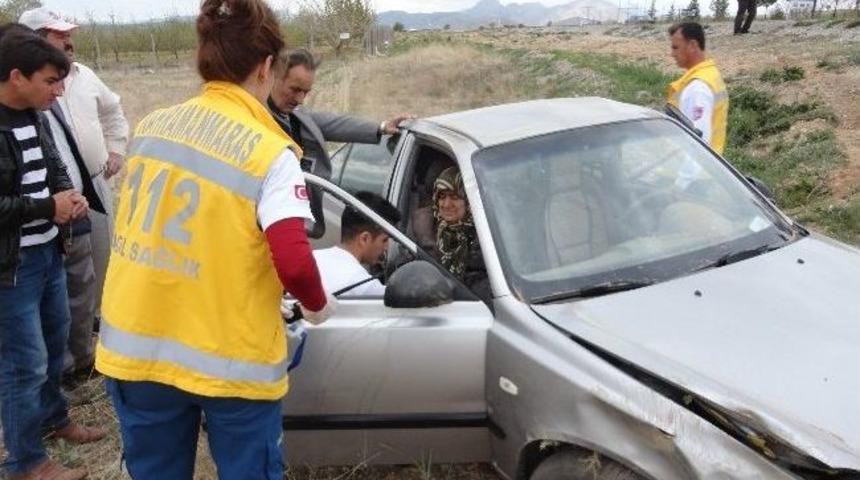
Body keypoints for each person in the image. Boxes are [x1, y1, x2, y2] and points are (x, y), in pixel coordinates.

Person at [93, 1, 336, 478]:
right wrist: (316, 304)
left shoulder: (151, 127)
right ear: (267, 67)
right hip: (231, 360)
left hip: (137, 344)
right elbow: (294, 259)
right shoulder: (270, 152)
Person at [0, 27, 106, 480]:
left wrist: (67, 191)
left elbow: (52, 162)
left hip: (48, 252)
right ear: (16, 76)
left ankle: (54, 420)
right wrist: (49, 206)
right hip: (12, 268)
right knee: (24, 363)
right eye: (50, 81)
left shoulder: (34, 114)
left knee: (54, 341)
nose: (59, 90)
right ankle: (25, 462)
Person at [19, 7, 130, 364]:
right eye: (58, 34)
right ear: (34, 40)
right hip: (45, 206)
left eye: (68, 34)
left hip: (92, 189)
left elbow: (113, 112)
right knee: (60, 282)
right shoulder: (21, 96)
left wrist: (116, 149)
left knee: (97, 265)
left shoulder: (84, 75)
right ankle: (64, 357)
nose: (68, 41)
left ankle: (85, 344)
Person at [268, 48, 412, 178]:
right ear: (272, 78)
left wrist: (382, 127)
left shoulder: (296, 116)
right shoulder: (256, 121)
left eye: (306, 92)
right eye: (295, 90)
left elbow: (336, 124)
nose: (300, 100)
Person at [313, 191, 401, 297]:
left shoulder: (310, 258)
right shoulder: (362, 284)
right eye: (384, 240)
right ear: (364, 239)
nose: (386, 247)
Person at [667, 22, 728, 155]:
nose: (672, 54)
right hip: (711, 165)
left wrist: (686, 176)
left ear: (693, 45)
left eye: (675, 47)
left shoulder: (698, 88)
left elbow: (699, 144)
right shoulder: (710, 74)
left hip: (697, 171)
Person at [433, 167, 490, 300]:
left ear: (469, 200)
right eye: (441, 197)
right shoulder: (424, 233)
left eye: (455, 197)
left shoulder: (485, 237)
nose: (447, 204)